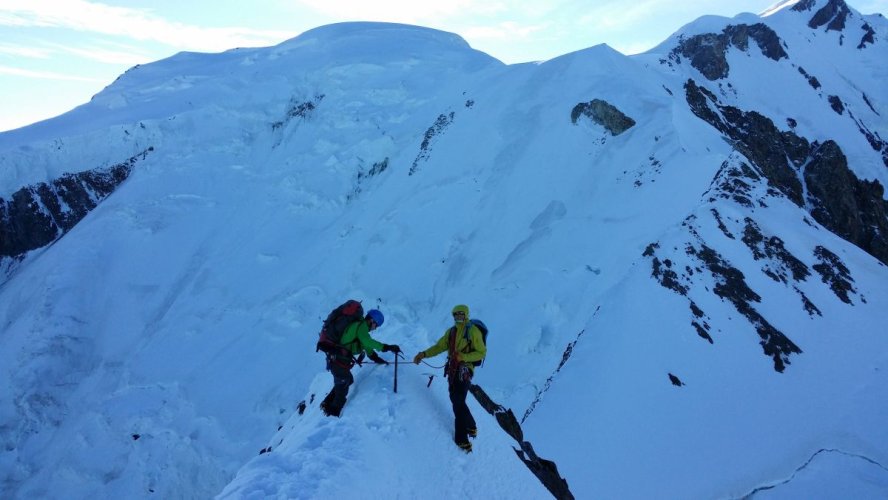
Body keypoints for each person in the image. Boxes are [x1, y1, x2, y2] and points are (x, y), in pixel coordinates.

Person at [413, 304, 486, 452]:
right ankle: (471, 426)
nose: (458, 318)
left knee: (457, 402)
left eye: (460, 315)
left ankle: (462, 440)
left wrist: (463, 356)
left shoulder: (473, 331)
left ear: (466, 315)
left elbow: (481, 352)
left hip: (464, 370)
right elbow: (439, 347)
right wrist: (423, 354)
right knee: (457, 400)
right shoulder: (451, 332)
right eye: (455, 315)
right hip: (453, 370)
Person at [321, 309, 401, 417]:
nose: (375, 328)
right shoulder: (362, 326)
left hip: (338, 359)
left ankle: (327, 403)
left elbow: (366, 346)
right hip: (338, 360)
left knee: (347, 380)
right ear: (372, 321)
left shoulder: (361, 328)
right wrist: (387, 347)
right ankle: (332, 415)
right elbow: (368, 342)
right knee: (343, 387)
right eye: (376, 325)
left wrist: (376, 358)